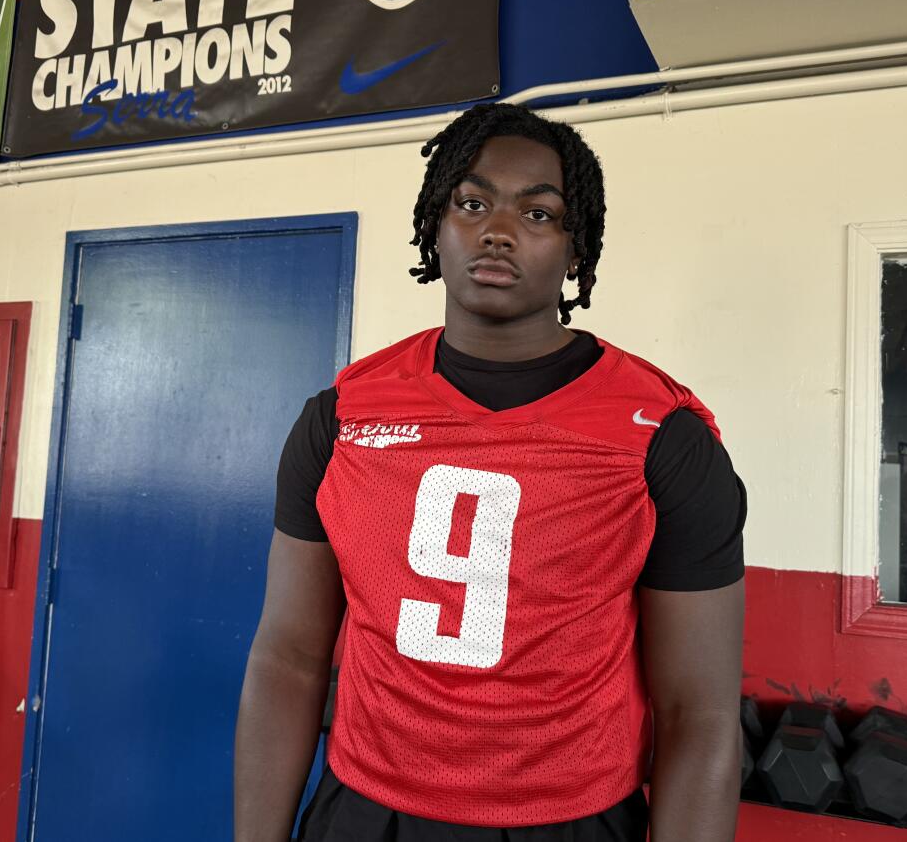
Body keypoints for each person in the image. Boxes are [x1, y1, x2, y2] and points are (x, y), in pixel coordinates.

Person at [234, 102, 747, 842]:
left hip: (570, 822)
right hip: (365, 814)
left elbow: (697, 713)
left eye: (539, 214)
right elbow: (287, 657)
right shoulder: (342, 417)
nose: (497, 231)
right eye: (472, 203)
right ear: (435, 227)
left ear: (576, 250)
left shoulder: (663, 436)